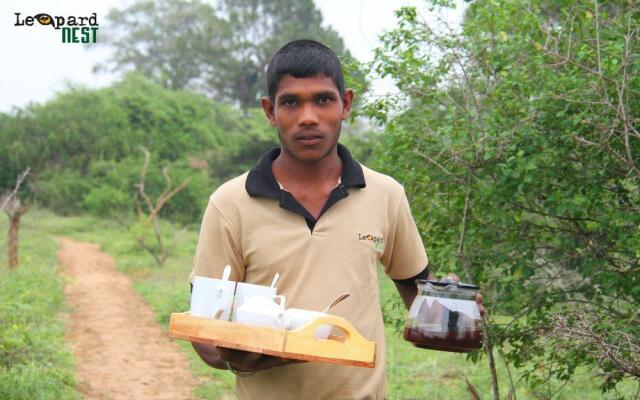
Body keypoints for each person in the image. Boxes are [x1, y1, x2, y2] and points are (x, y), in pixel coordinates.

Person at [189, 39, 485, 400]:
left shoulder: (385, 195)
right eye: (291, 102)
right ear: (270, 111)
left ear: (345, 104)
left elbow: (419, 298)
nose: (308, 117)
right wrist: (242, 358)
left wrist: (454, 314)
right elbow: (203, 332)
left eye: (323, 99)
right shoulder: (231, 203)